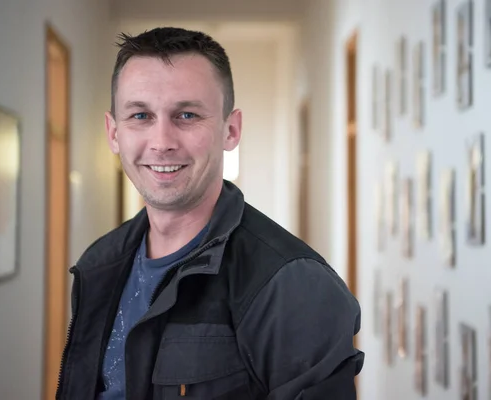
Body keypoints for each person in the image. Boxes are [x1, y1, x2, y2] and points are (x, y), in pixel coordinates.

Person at [55, 27, 364, 400]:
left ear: (230, 130)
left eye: (186, 115)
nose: (162, 142)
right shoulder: (99, 264)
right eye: (140, 115)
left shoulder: (291, 285)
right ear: (113, 132)